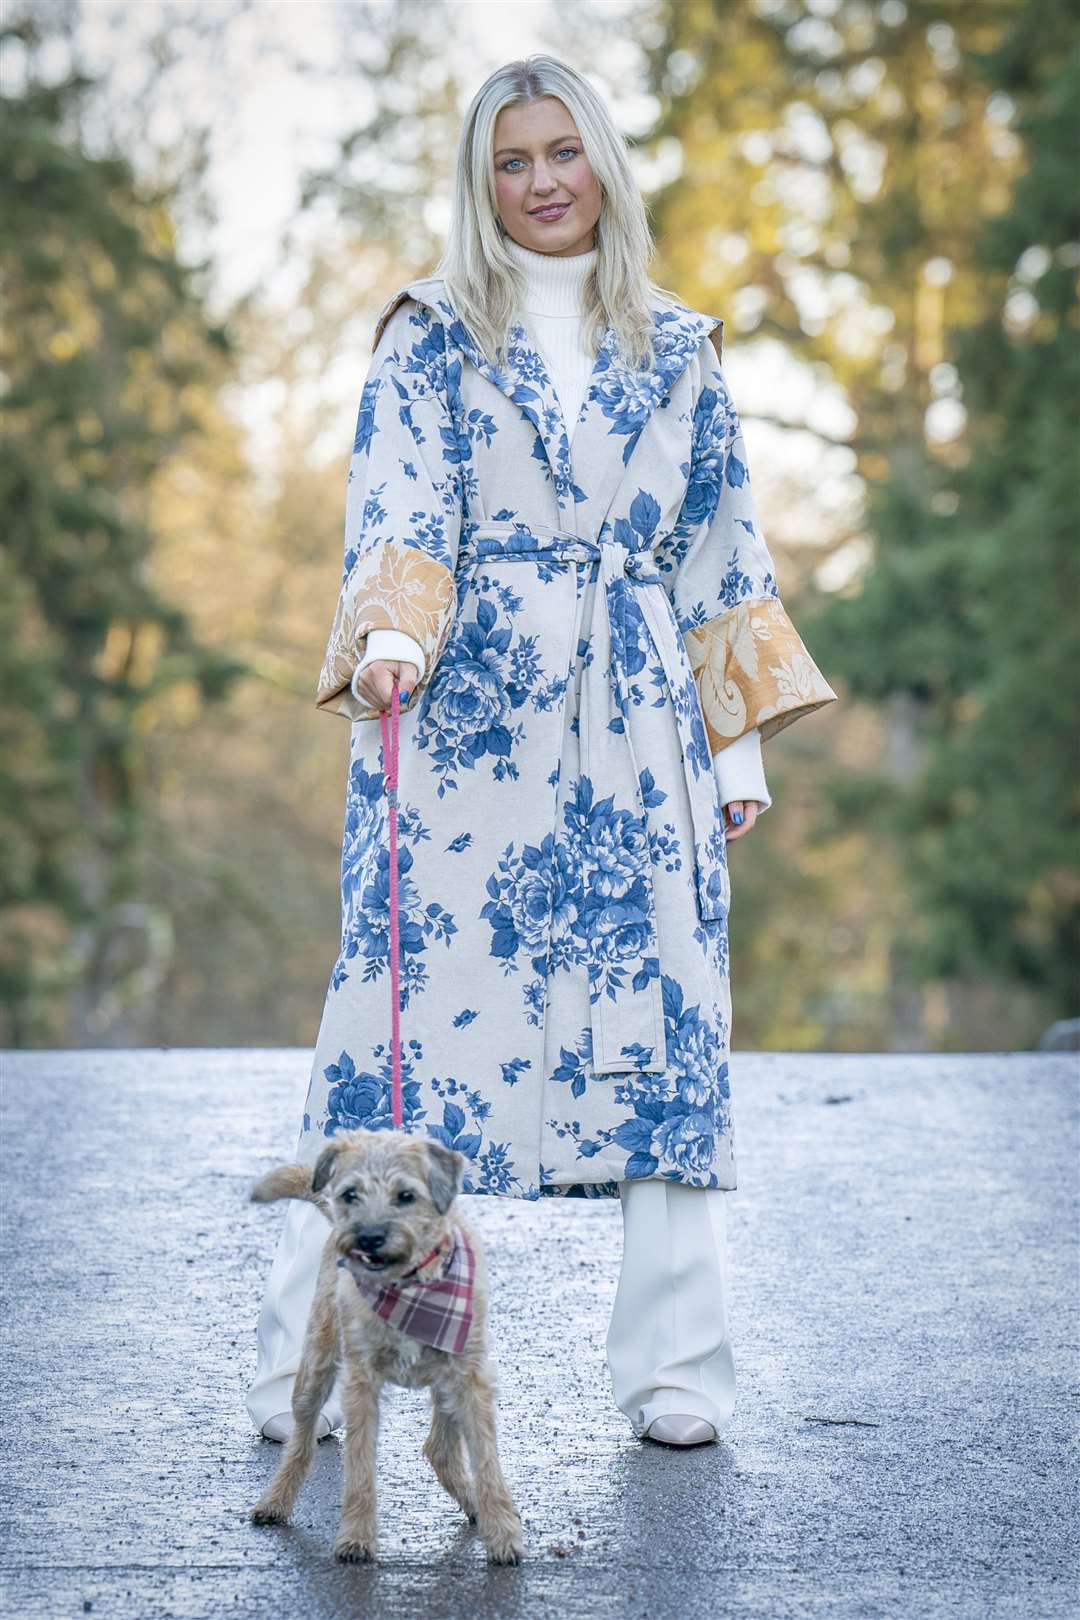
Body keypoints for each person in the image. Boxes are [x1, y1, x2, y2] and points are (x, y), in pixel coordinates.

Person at [245, 55, 837, 1449]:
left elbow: (721, 550)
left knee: (667, 1033)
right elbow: (395, 511)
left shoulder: (680, 350)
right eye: (512, 161)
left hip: (639, 729)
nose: (542, 181)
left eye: (562, 152)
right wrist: (392, 637)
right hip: (458, 728)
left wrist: (736, 753)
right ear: (480, 181)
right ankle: (296, 1370)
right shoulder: (431, 335)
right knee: (385, 1053)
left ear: (603, 164)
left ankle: (678, 1373)